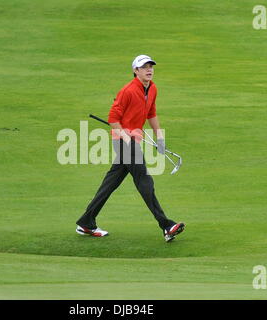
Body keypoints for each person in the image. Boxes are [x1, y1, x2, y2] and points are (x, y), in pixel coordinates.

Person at [76, 55, 185, 242]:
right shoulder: (127, 91)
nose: (149, 70)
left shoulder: (152, 88)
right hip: (124, 141)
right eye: (144, 67)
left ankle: (86, 222)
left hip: (133, 139)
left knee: (111, 183)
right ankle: (166, 225)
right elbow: (113, 119)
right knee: (144, 179)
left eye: (151, 66)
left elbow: (151, 113)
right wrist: (126, 137)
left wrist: (159, 137)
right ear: (136, 71)